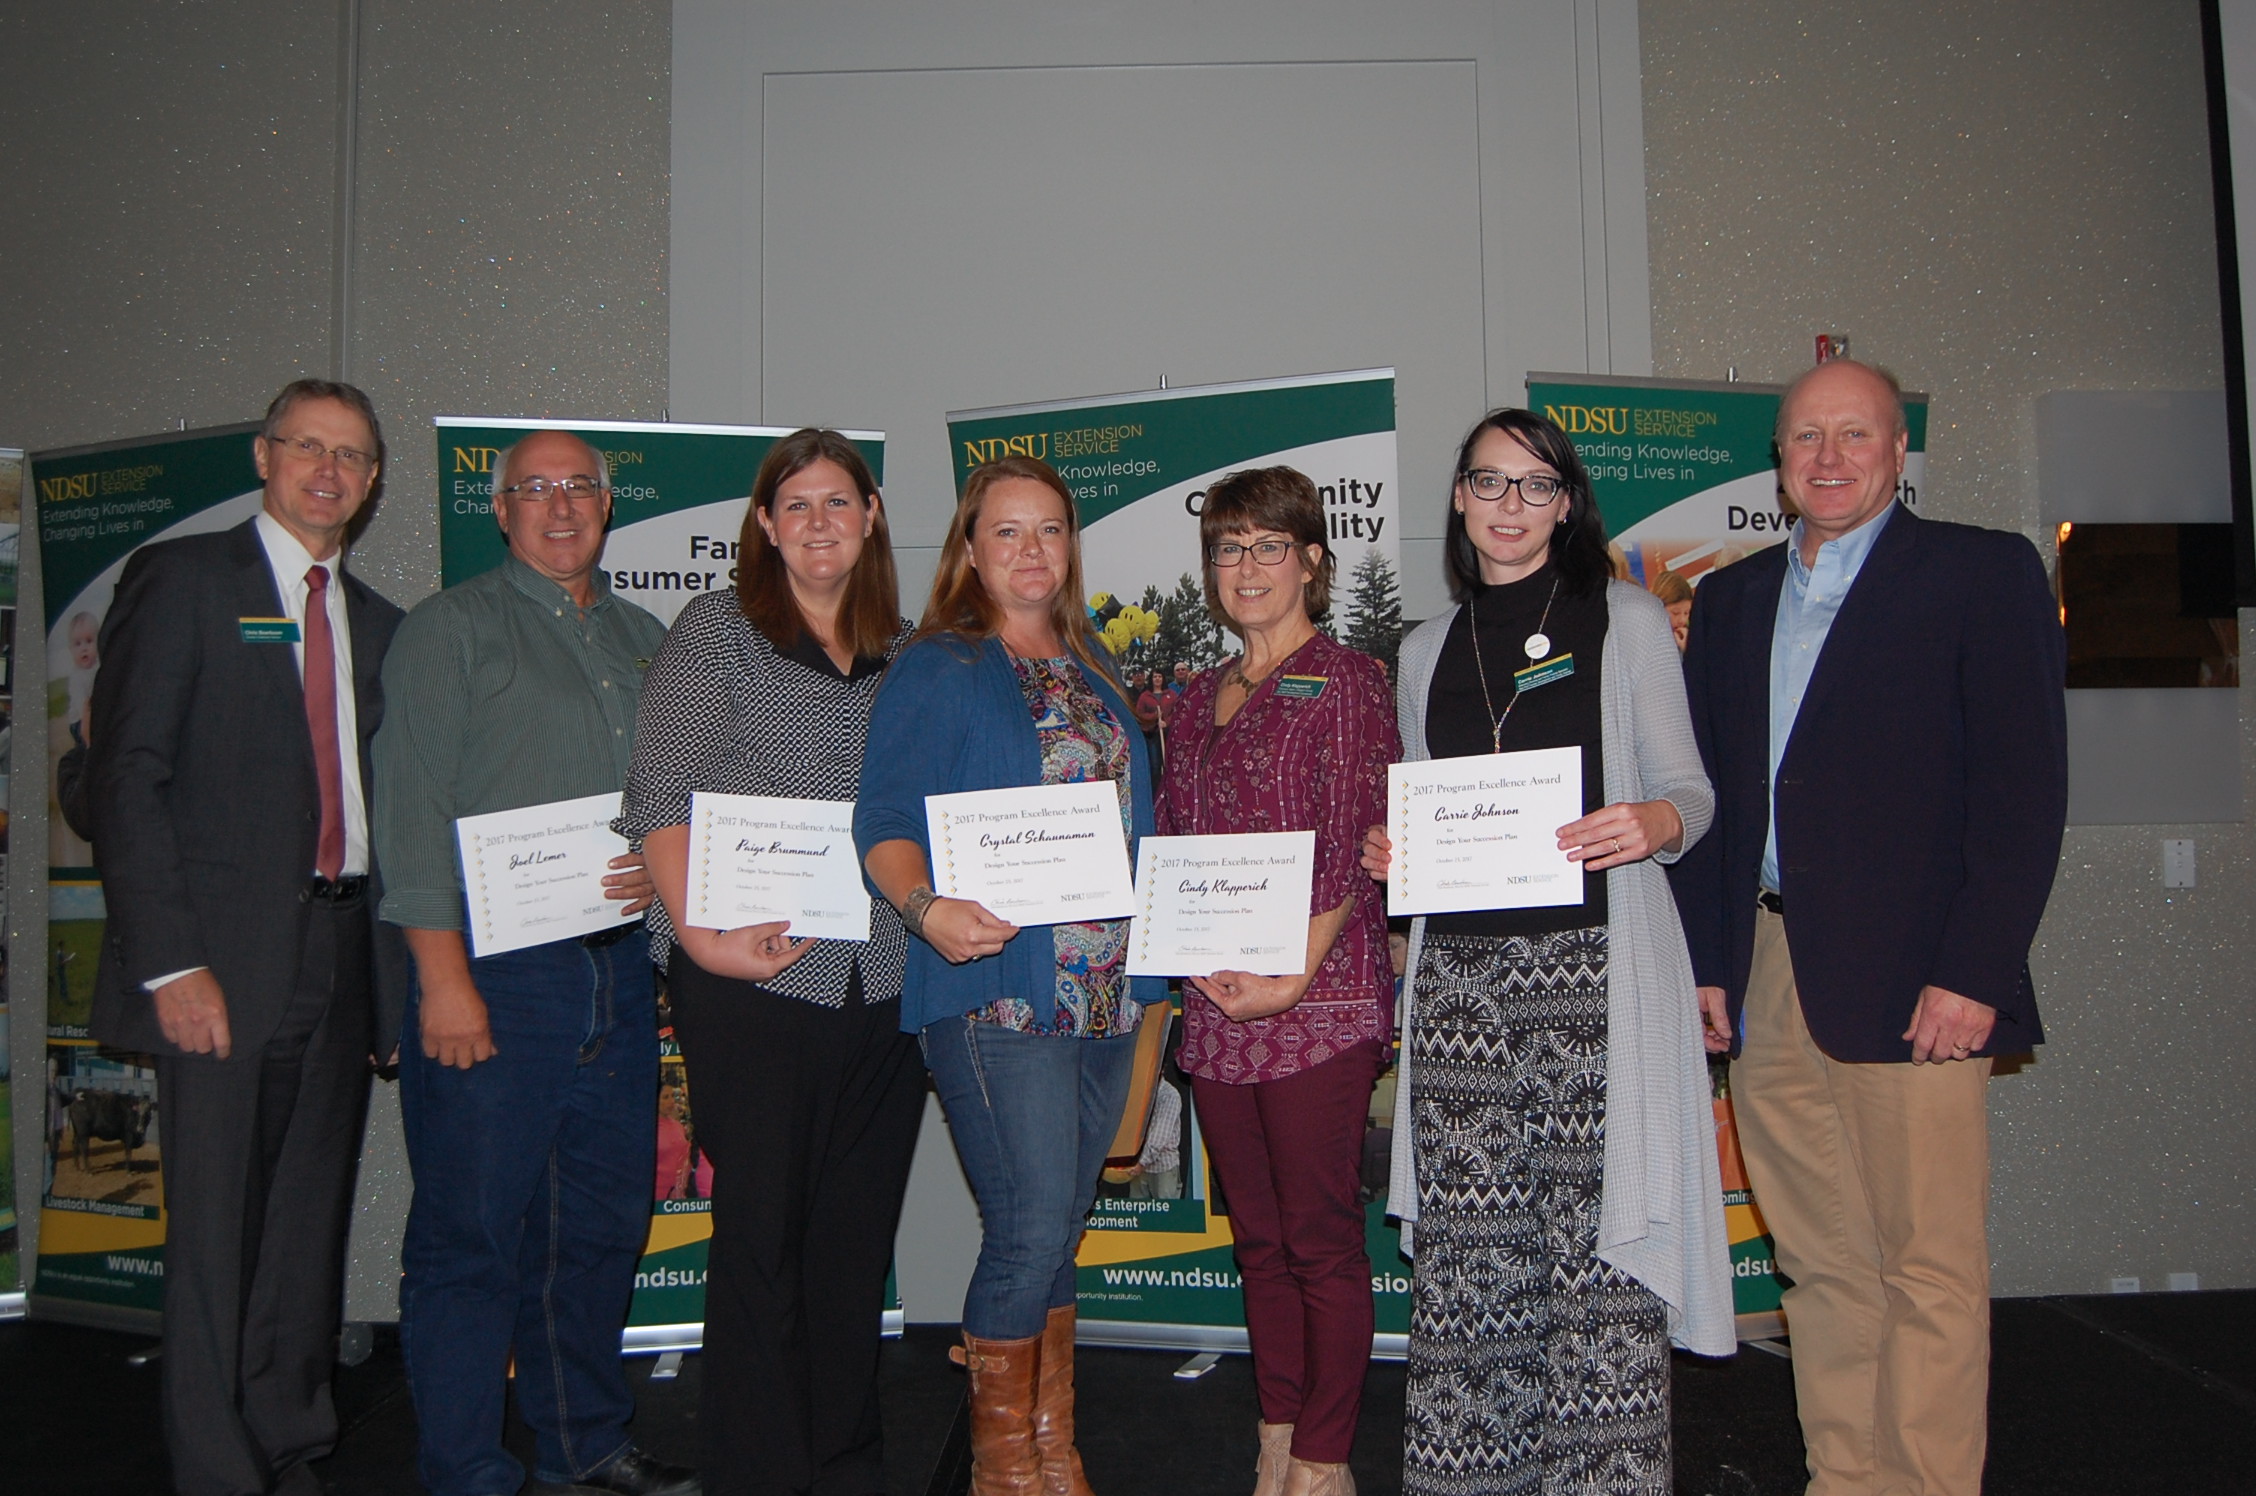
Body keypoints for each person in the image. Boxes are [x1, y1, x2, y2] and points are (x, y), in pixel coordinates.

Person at [1668, 359, 2067, 1496]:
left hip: (1920, 975)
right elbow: (1720, 802)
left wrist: (1974, 969)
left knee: (1927, 1265)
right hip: (1769, 963)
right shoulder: (1737, 598)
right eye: (1806, 438)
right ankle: (1848, 1477)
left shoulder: (1983, 573)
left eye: (1855, 434)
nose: (1829, 457)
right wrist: (1710, 963)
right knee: (1820, 1262)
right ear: (1779, 461)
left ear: (1899, 452)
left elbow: (2023, 793)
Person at [1363, 408, 1733, 1495]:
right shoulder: (1424, 649)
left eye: (1534, 485)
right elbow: (1427, 803)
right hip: (1461, 991)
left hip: (1595, 979)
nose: (1510, 505)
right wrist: (1398, 846)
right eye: (1489, 482)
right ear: (1462, 498)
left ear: (1566, 502)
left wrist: (1653, 824)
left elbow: (1691, 791)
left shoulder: (1622, 617)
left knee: (1595, 1269)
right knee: (1473, 1270)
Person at [84, 378, 408, 1496]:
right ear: (266, 458)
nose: (329, 470)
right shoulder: (181, 581)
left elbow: (389, 810)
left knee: (304, 1224)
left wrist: (396, 984)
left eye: (352, 456)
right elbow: (123, 777)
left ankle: (288, 1434)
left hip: (339, 954)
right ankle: (216, 1465)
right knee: (216, 1232)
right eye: (308, 447)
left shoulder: (378, 624)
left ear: (372, 483)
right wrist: (172, 961)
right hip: (216, 963)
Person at [373, 430, 690, 1496]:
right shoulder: (447, 631)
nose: (561, 506)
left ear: (609, 501)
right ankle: (465, 1465)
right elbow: (409, 813)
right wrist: (442, 976)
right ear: (498, 507)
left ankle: (582, 1443)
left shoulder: (648, 636)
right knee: (472, 1234)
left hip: (615, 968)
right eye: (535, 489)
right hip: (494, 973)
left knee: (599, 1227)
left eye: (580, 487)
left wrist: (663, 870)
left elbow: (666, 800)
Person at [616, 428, 924, 1496]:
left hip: (883, 982)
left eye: (838, 501)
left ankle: (842, 1463)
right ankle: (758, 1470)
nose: (818, 522)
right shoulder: (718, 632)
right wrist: (700, 935)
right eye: (795, 505)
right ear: (764, 525)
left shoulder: (912, 645)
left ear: (871, 515)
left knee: (851, 1240)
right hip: (753, 978)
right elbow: (658, 796)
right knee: (761, 1241)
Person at [855, 456, 1162, 1496]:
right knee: (1030, 1223)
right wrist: (924, 908)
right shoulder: (938, 665)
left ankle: (1048, 1445)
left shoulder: (1095, 665)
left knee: (1059, 1221)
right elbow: (886, 821)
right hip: (999, 991)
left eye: (1050, 530)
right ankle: (1002, 1470)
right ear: (969, 549)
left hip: (1107, 993)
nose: (1032, 550)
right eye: (1007, 531)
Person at [1153, 467, 1399, 1496]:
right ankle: (1278, 1429)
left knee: (1322, 1240)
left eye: (1268, 545)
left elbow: (1347, 839)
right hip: (1218, 1012)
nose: (1246, 565)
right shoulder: (1191, 695)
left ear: (1310, 561)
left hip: (1317, 1004)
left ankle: (1326, 1454)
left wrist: (1291, 979)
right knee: (1258, 1241)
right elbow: (1172, 843)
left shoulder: (1345, 681)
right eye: (1228, 546)